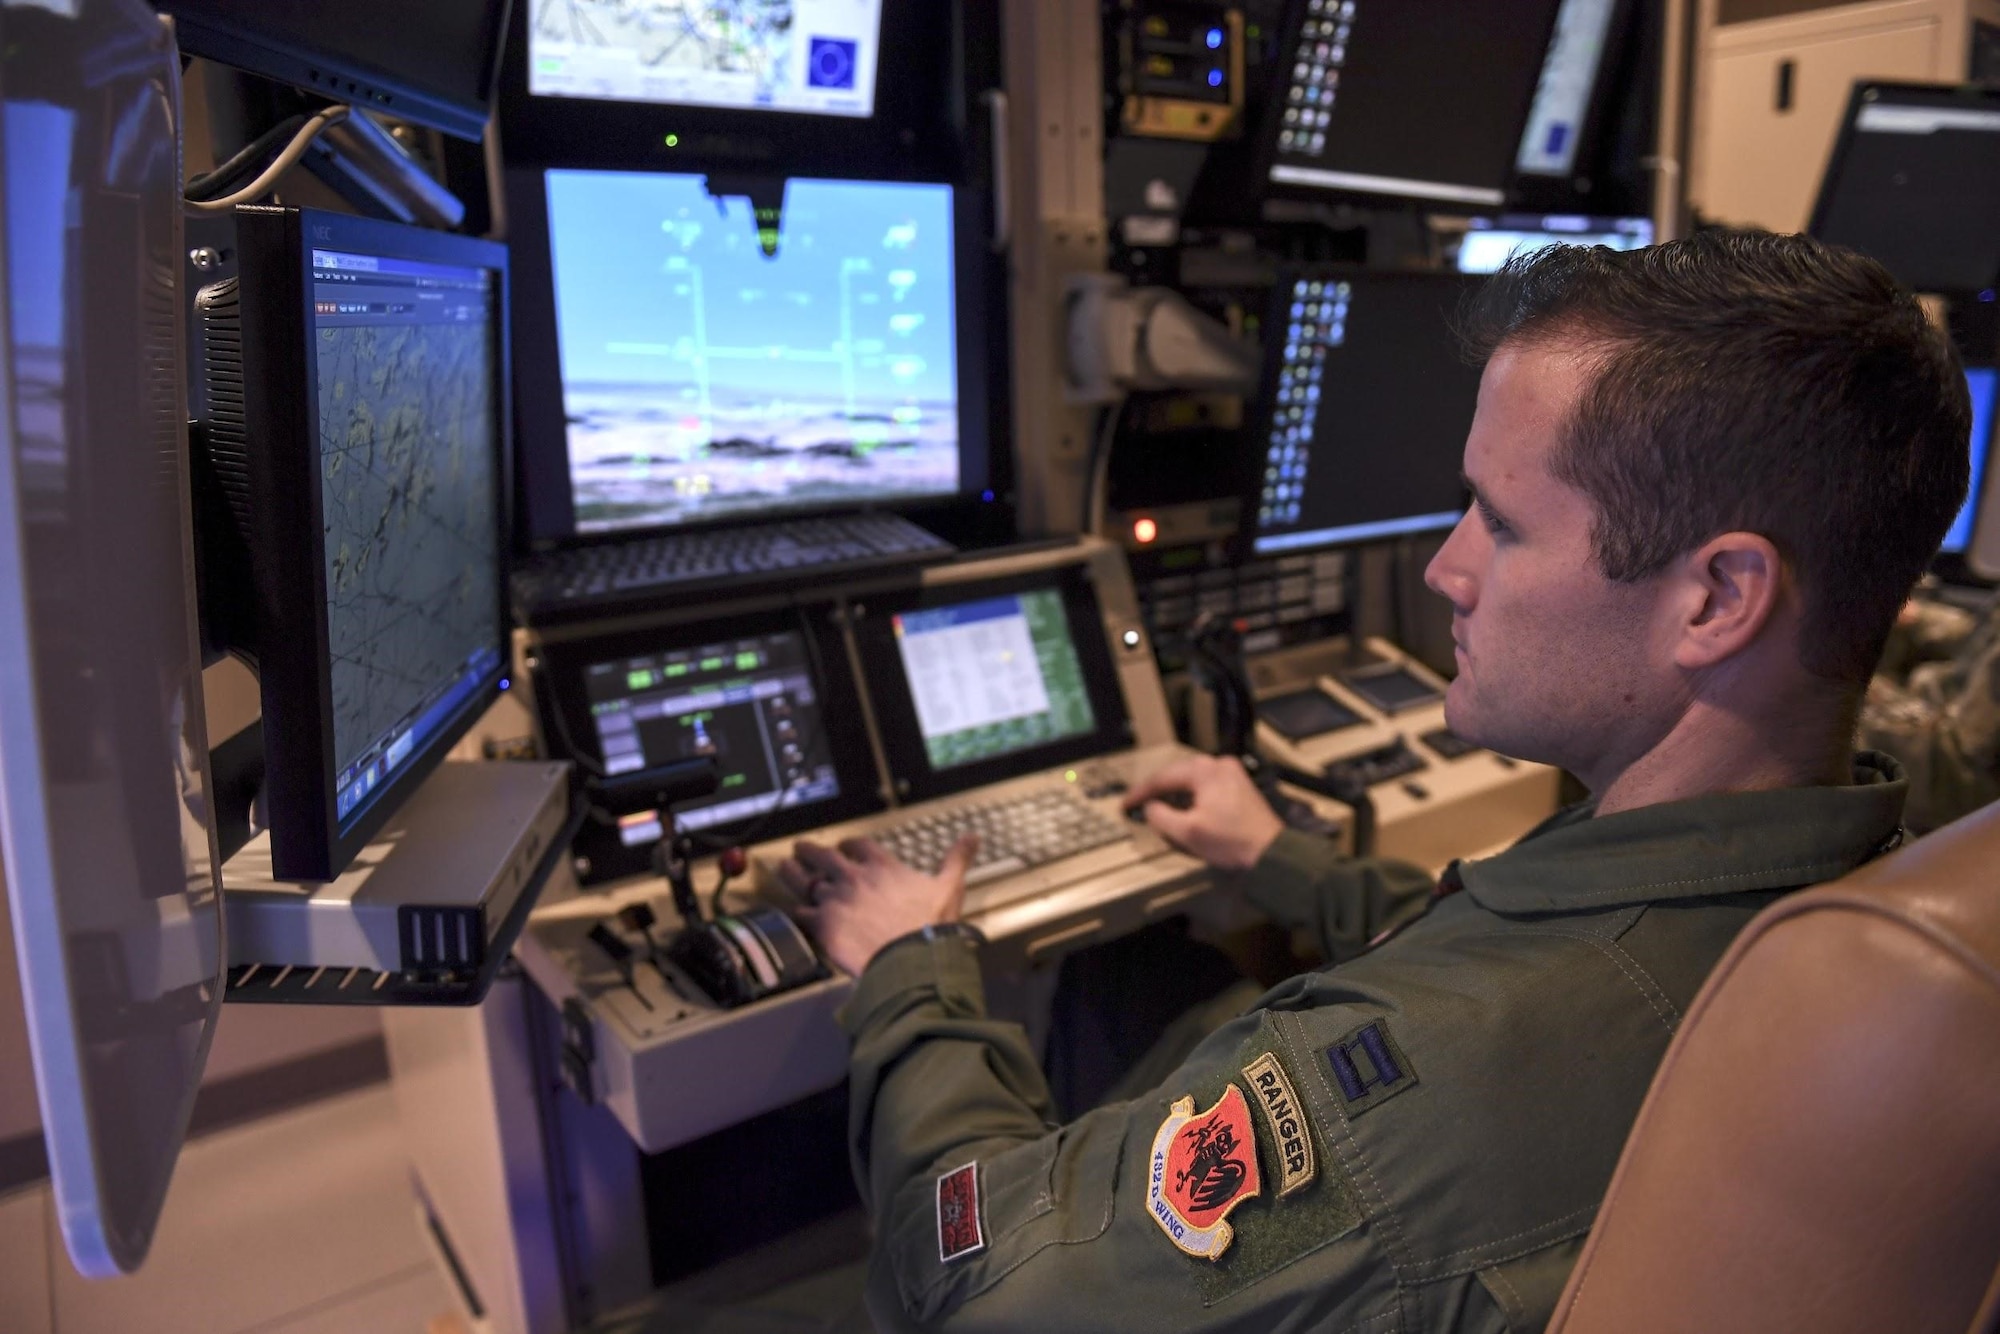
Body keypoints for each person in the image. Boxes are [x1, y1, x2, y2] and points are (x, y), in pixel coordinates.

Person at [776, 230, 1969, 1332]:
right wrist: (1280, 860)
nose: (1446, 567)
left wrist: (910, 977)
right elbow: (1533, 948)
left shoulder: (1403, 1101)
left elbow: (972, 1289)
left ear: (1715, 598)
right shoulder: (1862, 904)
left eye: (1499, 524)